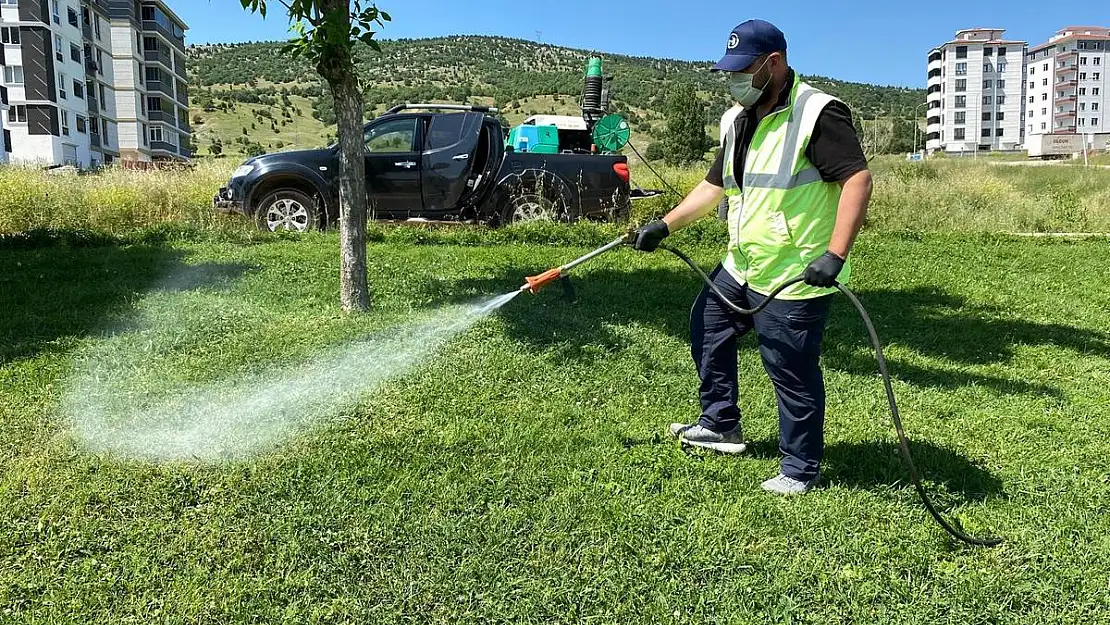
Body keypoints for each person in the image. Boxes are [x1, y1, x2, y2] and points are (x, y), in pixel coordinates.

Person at [631, 19, 872, 495]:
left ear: (774, 64)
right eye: (731, 71)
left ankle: (801, 468)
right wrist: (664, 224)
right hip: (741, 262)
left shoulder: (817, 113)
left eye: (744, 70)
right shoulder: (736, 119)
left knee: (789, 366)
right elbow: (714, 185)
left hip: (793, 271)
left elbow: (857, 180)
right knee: (708, 326)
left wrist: (835, 254)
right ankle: (722, 425)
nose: (735, 79)